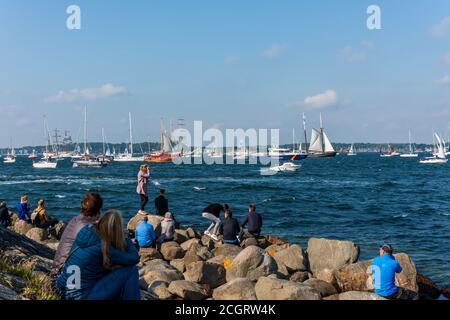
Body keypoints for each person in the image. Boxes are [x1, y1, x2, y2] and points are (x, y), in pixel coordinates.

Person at [56, 210, 140, 300]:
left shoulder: (85, 231)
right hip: (81, 297)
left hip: (63, 290)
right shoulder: (103, 247)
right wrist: (127, 240)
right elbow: (134, 258)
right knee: (131, 271)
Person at [52, 193, 103, 272]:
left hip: (59, 267)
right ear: (98, 210)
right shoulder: (87, 228)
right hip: (67, 271)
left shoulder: (75, 220)